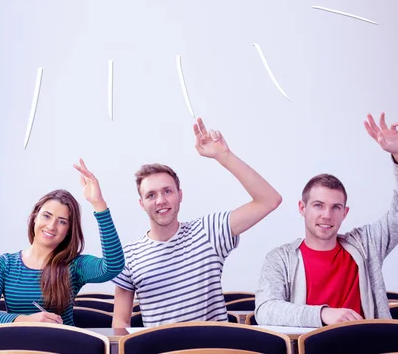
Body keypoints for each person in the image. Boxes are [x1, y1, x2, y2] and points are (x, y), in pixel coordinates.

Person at [255, 112, 398, 327]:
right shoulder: (280, 258)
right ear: (302, 208)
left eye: (336, 207)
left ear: (345, 212)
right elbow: (266, 310)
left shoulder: (366, 245)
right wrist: (323, 314)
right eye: (318, 205)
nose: (327, 215)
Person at [112, 117, 283, 327]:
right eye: (151, 195)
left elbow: (269, 200)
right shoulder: (129, 255)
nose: (161, 200)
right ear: (142, 204)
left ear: (180, 195)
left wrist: (224, 156)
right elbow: (121, 321)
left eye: (167, 191)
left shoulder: (208, 231)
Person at [0, 158, 124, 327]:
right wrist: (26, 320)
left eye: (62, 221)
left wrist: (98, 204)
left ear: (69, 230)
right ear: (35, 217)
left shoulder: (74, 265)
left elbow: (113, 266)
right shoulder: (3, 264)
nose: (51, 226)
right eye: (46, 216)